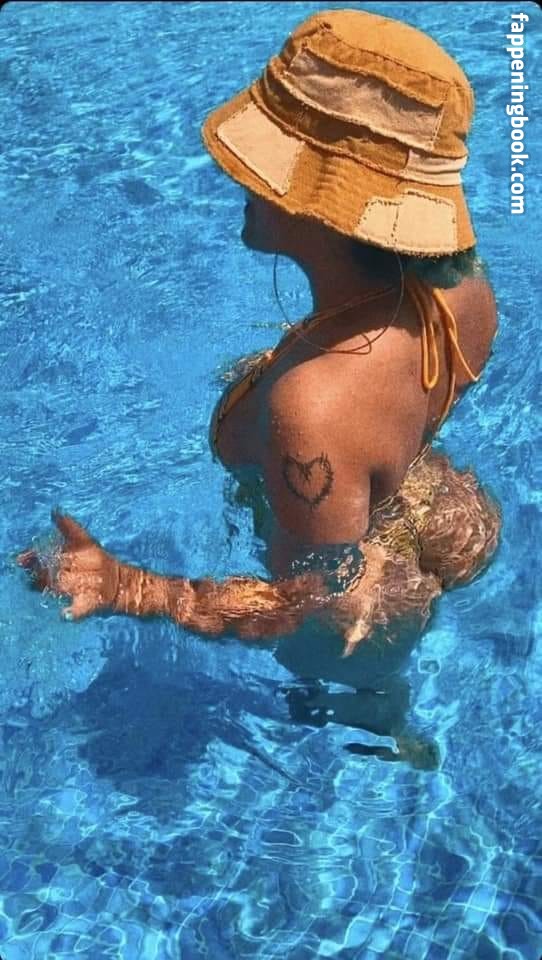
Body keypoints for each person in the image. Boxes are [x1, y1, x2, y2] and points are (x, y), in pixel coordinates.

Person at [17, 10, 500, 665]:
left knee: (334, 709)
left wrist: (126, 587)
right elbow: (394, 410)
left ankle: (380, 717)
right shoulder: (461, 290)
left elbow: (303, 605)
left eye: (269, 166)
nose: (240, 178)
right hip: (434, 504)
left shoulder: (311, 409)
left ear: (325, 206)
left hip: (363, 624)